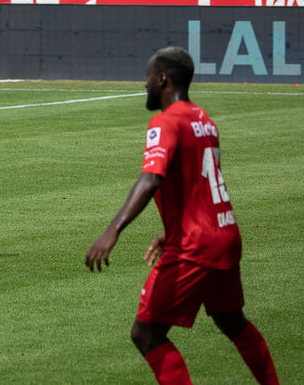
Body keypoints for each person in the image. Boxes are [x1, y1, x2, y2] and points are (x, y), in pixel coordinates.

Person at [85, 46, 279, 385]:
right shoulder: (205, 120)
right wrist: (170, 226)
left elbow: (151, 178)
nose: (145, 85)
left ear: (162, 79)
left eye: (147, 78)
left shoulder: (165, 122)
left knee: (145, 333)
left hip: (195, 243)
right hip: (224, 232)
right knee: (232, 321)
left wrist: (112, 230)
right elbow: (199, 182)